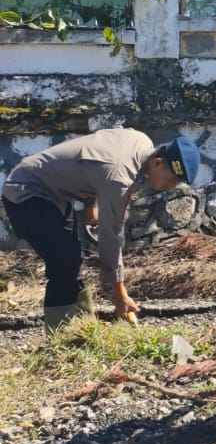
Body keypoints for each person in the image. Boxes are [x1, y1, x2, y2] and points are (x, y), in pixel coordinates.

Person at [3, 130, 201, 329]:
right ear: (157, 162)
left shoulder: (140, 141)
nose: (170, 187)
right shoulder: (120, 178)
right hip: (25, 192)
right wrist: (119, 295)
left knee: (71, 258)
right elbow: (111, 237)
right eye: (170, 180)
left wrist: (90, 206)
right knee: (63, 262)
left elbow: (90, 162)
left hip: (53, 196)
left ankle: (83, 326)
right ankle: (60, 335)